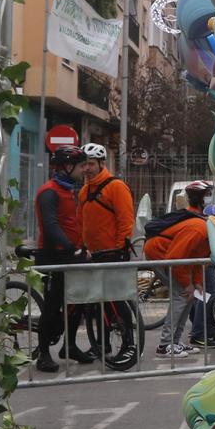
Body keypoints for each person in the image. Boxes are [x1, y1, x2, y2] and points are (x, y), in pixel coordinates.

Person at [73, 143, 136, 363]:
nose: (87, 169)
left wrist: (121, 248)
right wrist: (82, 247)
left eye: (90, 164)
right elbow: (81, 223)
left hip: (113, 253)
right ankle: (102, 344)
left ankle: (129, 345)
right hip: (92, 255)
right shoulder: (84, 191)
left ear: (102, 164)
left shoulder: (115, 187)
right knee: (96, 303)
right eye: (83, 165)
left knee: (117, 301)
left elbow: (126, 220)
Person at [143, 181, 212, 357]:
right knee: (182, 295)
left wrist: (197, 283)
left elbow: (197, 258)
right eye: (208, 194)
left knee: (188, 297)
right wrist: (187, 284)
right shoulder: (199, 228)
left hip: (172, 257)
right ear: (203, 199)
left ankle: (175, 342)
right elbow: (176, 258)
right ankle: (165, 345)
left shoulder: (203, 225)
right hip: (160, 253)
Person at [31, 146, 83, 373]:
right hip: (53, 255)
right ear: (67, 166)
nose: (83, 171)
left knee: (78, 301)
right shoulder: (49, 192)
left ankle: (70, 345)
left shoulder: (69, 190)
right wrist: (70, 247)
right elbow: (51, 226)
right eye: (81, 166)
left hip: (70, 254)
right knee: (52, 307)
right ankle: (43, 354)